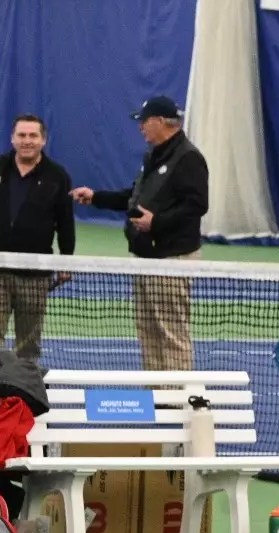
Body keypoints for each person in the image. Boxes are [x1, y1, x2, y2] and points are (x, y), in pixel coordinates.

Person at [72, 96, 208, 371]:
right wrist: (97, 197)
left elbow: (197, 205)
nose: (140, 128)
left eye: (144, 122)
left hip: (171, 260)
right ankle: (159, 399)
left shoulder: (188, 157)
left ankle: (179, 400)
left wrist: (156, 223)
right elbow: (133, 198)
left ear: (160, 122)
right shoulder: (153, 156)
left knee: (171, 334)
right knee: (148, 333)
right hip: (145, 256)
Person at [0, 115, 76, 365]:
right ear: (12, 138)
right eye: (21, 135)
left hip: (35, 274)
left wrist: (66, 259)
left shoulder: (57, 176)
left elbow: (65, 222)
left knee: (29, 342)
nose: (27, 141)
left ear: (43, 140)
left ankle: (24, 393)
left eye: (33, 136)